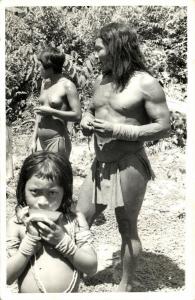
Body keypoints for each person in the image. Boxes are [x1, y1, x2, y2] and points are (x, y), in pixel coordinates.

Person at [76, 22, 170, 292]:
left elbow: (163, 126)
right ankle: (79, 271)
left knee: (126, 227)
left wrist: (118, 130)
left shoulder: (145, 83)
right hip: (99, 164)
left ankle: (125, 286)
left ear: (116, 47)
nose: (96, 54)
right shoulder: (101, 79)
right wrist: (86, 119)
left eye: (100, 48)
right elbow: (92, 110)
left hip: (130, 164)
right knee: (79, 217)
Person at [6, 151, 97, 293]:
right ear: (23, 189)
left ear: (64, 192)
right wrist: (29, 243)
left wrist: (63, 242)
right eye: (35, 192)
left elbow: (91, 268)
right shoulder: (17, 224)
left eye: (52, 193)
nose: (42, 202)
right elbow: (7, 277)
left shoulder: (75, 221)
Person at [31, 47, 81, 159]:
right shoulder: (45, 84)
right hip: (41, 141)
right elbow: (39, 115)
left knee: (56, 174)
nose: (38, 69)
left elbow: (77, 116)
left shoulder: (67, 86)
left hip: (57, 141)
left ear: (50, 67)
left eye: (40, 65)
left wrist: (52, 111)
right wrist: (33, 140)